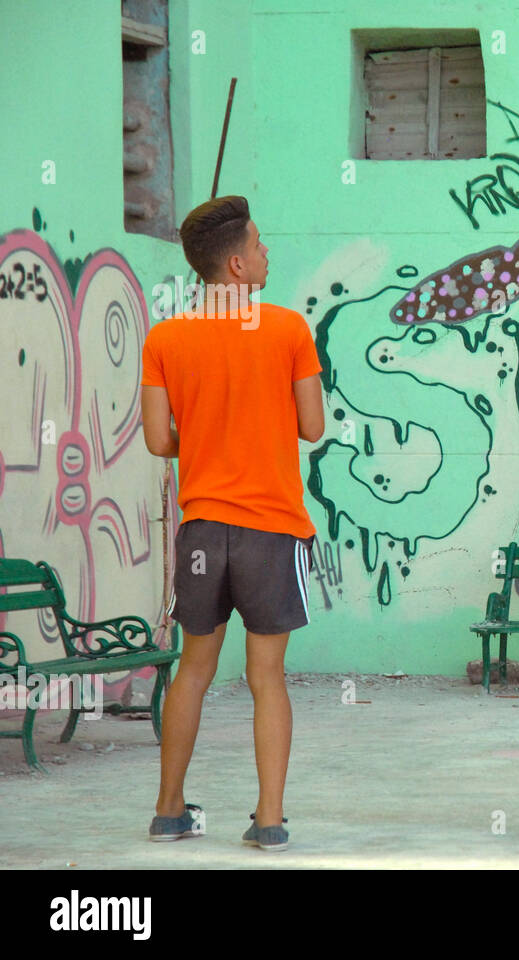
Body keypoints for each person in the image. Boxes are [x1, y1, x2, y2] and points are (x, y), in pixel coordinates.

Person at [141, 195, 324, 849]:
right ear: (239, 264)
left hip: (202, 529)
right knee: (265, 678)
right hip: (271, 528)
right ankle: (269, 821)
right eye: (263, 243)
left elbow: (159, 441)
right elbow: (312, 427)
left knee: (193, 669)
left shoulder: (165, 338)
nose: (269, 251)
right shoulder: (287, 330)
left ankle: (168, 812)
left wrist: (208, 426)